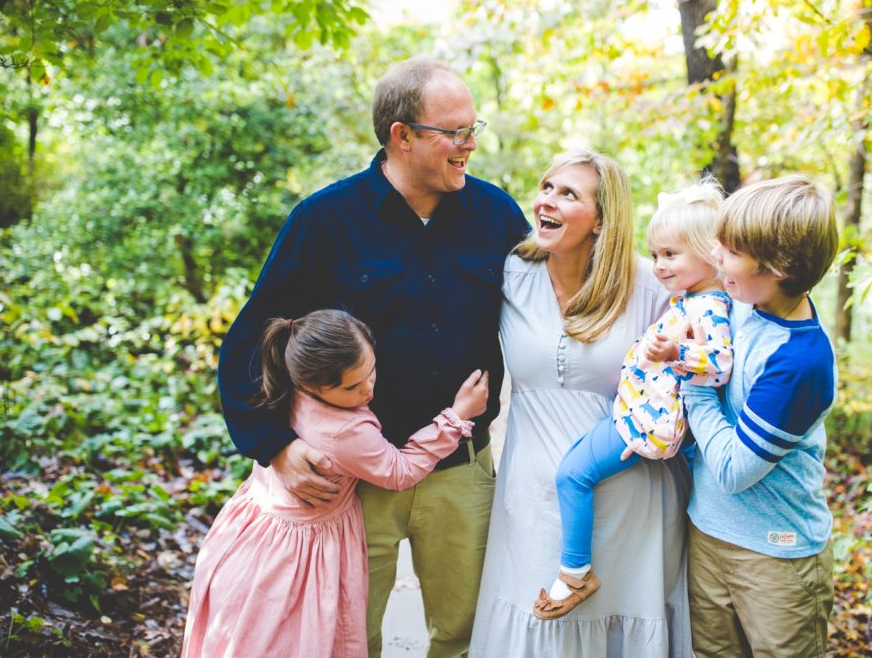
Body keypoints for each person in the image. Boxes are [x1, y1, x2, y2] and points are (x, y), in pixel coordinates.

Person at [216, 59, 530, 657]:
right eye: (454, 132)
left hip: (462, 472)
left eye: (472, 129)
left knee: (466, 634)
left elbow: (553, 307)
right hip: (352, 483)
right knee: (349, 636)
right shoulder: (325, 220)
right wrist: (275, 446)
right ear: (401, 135)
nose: (468, 145)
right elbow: (253, 336)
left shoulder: (496, 215)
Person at [471, 149, 695, 656]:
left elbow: (702, 364)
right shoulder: (511, 276)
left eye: (568, 193)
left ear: (601, 220)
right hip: (529, 494)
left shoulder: (651, 285)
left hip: (629, 496)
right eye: (546, 187)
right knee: (534, 624)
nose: (546, 201)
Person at [184, 309, 489, 657]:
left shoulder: (285, 384)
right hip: (302, 549)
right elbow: (399, 471)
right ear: (309, 384)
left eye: (371, 371)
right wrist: (456, 417)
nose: (368, 389)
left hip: (253, 532)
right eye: (351, 387)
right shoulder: (346, 430)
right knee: (312, 637)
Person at [533, 178, 733, 619]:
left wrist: (677, 351)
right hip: (640, 415)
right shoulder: (689, 299)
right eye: (656, 254)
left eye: (670, 255)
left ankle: (575, 573)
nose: (659, 266)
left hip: (642, 422)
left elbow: (719, 364)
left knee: (573, 475)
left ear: (707, 252)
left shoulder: (710, 308)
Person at [681, 174, 839, 657]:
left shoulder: (799, 360)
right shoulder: (742, 303)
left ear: (779, 268)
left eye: (730, 251)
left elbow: (733, 470)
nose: (715, 258)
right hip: (707, 533)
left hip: (775, 556)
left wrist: (693, 378)